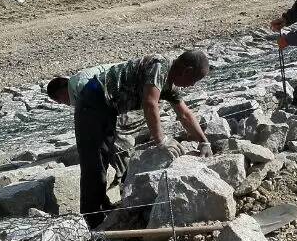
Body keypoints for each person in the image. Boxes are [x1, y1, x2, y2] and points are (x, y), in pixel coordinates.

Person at [60, 51, 212, 229]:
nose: (192, 85)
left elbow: (184, 114)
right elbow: (150, 103)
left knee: (105, 156)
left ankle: (102, 207)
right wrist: (161, 141)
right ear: (186, 70)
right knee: (94, 160)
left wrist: (204, 141)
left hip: (106, 107)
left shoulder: (169, 82)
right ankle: (91, 219)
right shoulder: (160, 65)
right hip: (93, 100)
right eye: (194, 80)